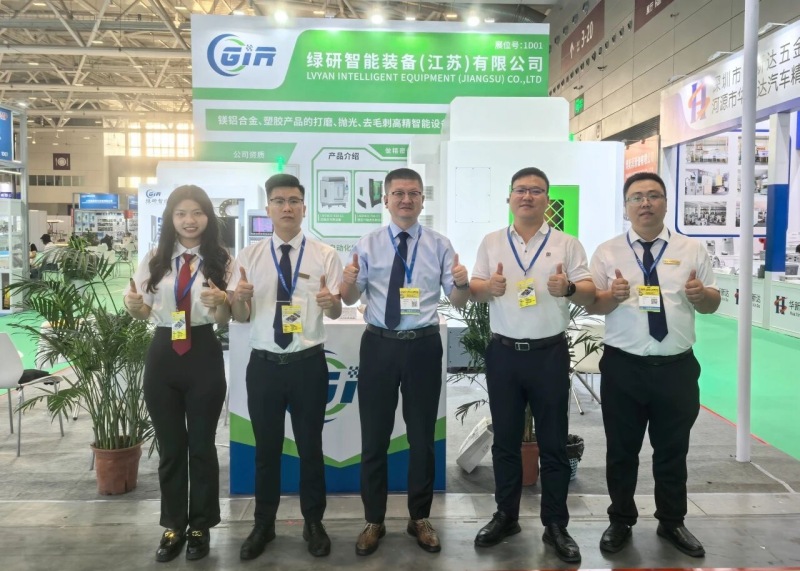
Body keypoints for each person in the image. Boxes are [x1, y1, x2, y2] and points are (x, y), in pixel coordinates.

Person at [586, 172, 720, 557]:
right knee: (621, 450)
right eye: (637, 197)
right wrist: (611, 296)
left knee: (672, 450)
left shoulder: (691, 249)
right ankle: (620, 519)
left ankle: (672, 521)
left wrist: (701, 295)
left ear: (665, 202)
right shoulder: (608, 252)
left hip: (676, 369)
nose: (645, 203)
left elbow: (712, 303)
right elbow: (593, 304)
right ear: (626, 206)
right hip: (623, 368)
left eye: (653, 196)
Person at [340, 167, 470, 556]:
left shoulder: (439, 245)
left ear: (422, 200)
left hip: (423, 346)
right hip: (379, 345)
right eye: (398, 193)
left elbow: (458, 300)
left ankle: (420, 518)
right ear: (385, 200)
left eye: (413, 193)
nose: (406, 199)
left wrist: (462, 282)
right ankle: (373, 520)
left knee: (422, 438)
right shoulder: (367, 244)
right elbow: (349, 298)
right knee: (374, 438)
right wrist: (348, 280)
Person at [468, 167, 595, 564]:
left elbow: (589, 291)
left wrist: (568, 288)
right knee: (505, 441)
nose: (527, 196)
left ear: (547, 199)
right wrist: (488, 288)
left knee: (554, 444)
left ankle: (556, 524)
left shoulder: (566, 244)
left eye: (536, 190)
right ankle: (505, 516)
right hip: (504, 354)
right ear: (509, 198)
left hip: (549, 355)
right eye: (520, 190)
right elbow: (474, 287)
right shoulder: (492, 242)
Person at [227, 174, 343, 561]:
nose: (287, 207)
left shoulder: (325, 255)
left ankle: (314, 522)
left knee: (311, 448)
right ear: (268, 209)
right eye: (279, 201)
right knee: (266, 451)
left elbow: (336, 310)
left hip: (308, 366)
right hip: (264, 367)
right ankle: (264, 524)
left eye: (294, 201)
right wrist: (239, 298)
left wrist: (331, 303)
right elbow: (240, 316)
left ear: (304, 208)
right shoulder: (249, 257)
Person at [123, 185, 231, 563]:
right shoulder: (155, 259)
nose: (189, 220)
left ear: (208, 218)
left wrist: (222, 302)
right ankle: (173, 525)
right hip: (164, 352)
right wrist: (133, 305)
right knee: (171, 448)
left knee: (201, 447)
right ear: (171, 218)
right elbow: (142, 311)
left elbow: (226, 318)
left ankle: (200, 526)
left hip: (203, 351)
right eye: (181, 213)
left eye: (197, 212)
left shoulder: (221, 260)